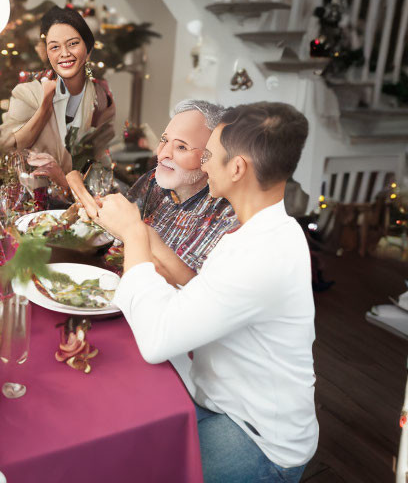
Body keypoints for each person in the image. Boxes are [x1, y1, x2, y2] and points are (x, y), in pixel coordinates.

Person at [92, 102, 318, 481]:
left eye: (209, 155)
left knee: (127, 465)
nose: (204, 164)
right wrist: (144, 234)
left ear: (237, 168)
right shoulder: (265, 229)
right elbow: (200, 290)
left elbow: (157, 338)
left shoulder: (259, 255)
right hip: (216, 397)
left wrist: (133, 234)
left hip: (256, 438)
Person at [32, 99, 236, 283]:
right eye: (164, 140)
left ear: (211, 156)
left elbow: (195, 293)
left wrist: (133, 230)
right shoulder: (154, 182)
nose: (163, 154)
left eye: (181, 147)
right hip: (104, 286)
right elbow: (105, 224)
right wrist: (62, 180)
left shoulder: (226, 215)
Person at [0, 5, 116, 174]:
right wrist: (44, 108)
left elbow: (101, 159)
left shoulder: (101, 99)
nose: (65, 53)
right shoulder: (28, 92)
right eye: (55, 47)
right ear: (46, 52)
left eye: (73, 44)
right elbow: (9, 146)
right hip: (37, 194)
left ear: (88, 50)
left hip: (83, 193)